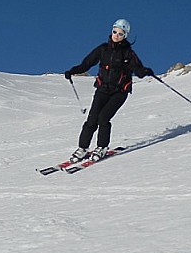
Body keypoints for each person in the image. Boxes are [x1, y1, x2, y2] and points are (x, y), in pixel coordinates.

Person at [63, 19, 154, 162]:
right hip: (102, 89)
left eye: (121, 33)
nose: (116, 35)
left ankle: (102, 147)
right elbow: (87, 63)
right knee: (92, 119)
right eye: (115, 32)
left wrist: (145, 71)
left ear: (125, 36)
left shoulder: (128, 53)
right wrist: (72, 71)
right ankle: (82, 148)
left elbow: (138, 69)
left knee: (103, 118)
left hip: (119, 92)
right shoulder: (103, 49)